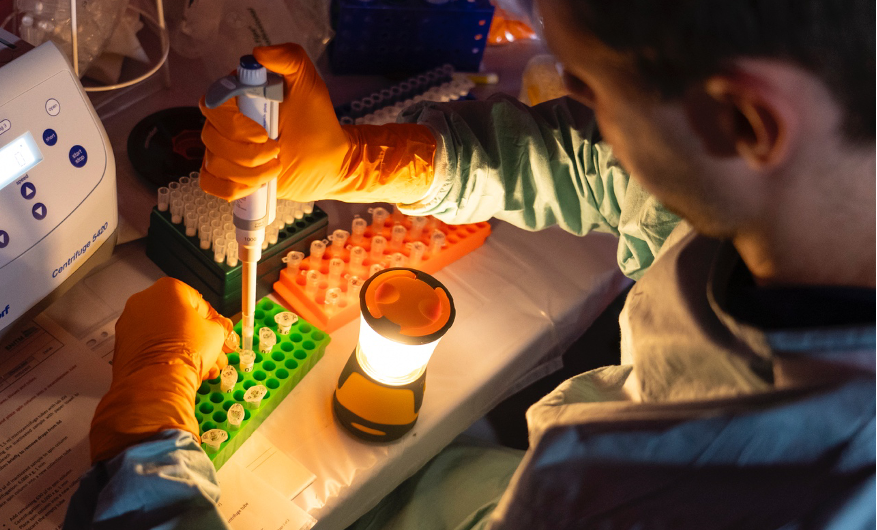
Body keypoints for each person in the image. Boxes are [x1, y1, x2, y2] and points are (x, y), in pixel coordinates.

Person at [64, 0, 875, 527]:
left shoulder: (716, 497)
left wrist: (145, 423)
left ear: (744, 119)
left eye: (591, 86)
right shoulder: (819, 183)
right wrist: (362, 158)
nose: (579, 111)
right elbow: (611, 169)